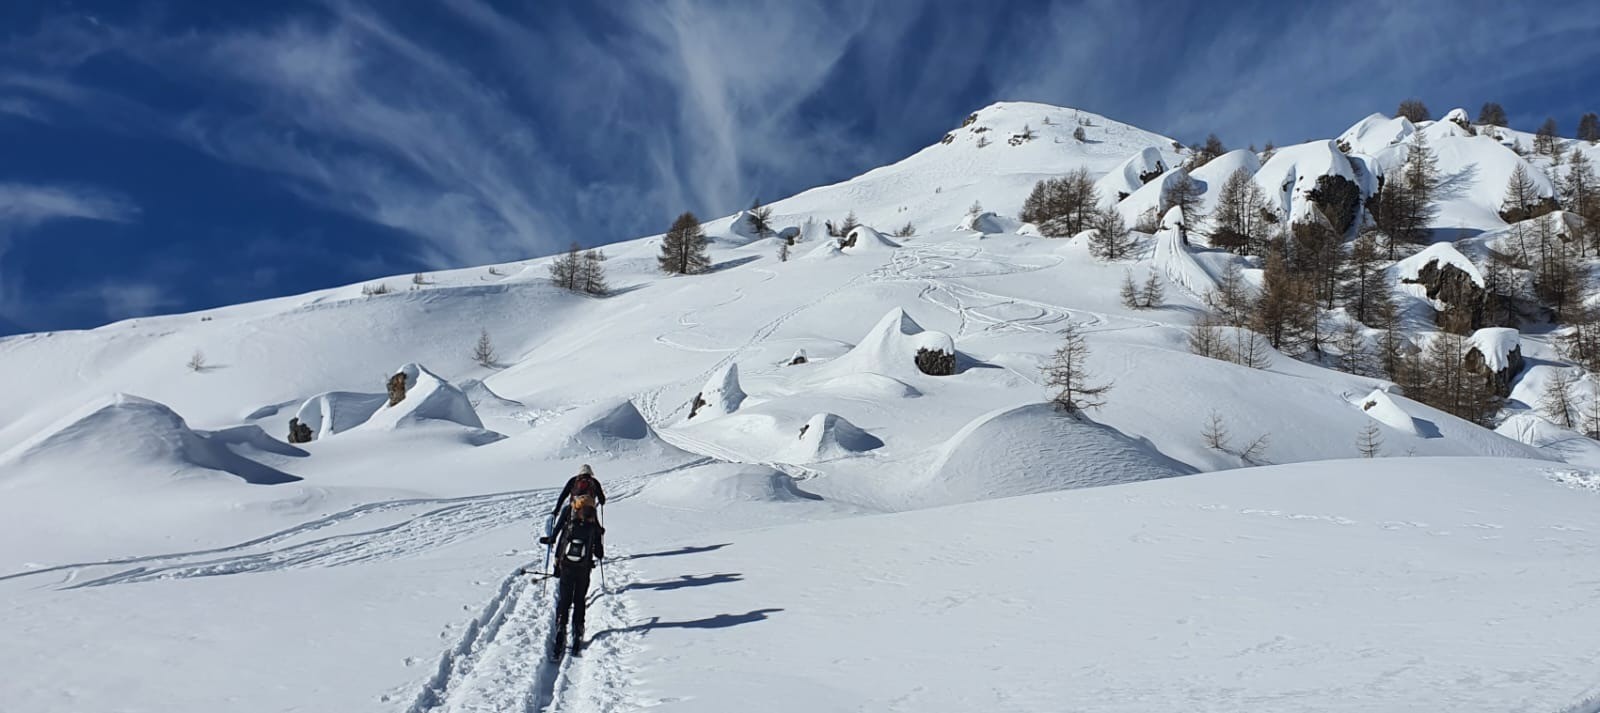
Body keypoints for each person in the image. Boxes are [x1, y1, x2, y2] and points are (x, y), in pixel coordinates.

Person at [540, 495, 604, 654]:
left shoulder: (570, 524)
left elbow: (561, 546)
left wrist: (557, 565)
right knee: (579, 599)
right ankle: (577, 630)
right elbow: (599, 554)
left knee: (565, 599)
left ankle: (561, 629)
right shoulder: (594, 527)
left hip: (567, 567)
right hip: (584, 569)